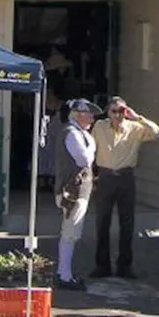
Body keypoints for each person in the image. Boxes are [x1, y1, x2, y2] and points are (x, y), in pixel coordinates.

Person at [91, 96, 159, 279]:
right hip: (105, 176)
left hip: (125, 176)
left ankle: (125, 266)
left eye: (121, 111)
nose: (117, 115)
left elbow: (157, 132)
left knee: (127, 223)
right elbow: (89, 148)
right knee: (102, 222)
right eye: (114, 111)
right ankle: (102, 265)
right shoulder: (100, 127)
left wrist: (136, 116)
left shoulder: (135, 128)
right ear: (108, 112)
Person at [54, 99, 99, 290]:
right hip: (71, 191)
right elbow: (84, 160)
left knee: (71, 232)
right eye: (89, 114)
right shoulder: (72, 134)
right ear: (78, 114)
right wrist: (92, 144)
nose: (92, 118)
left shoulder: (78, 133)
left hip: (76, 190)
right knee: (70, 233)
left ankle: (65, 273)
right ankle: (64, 275)